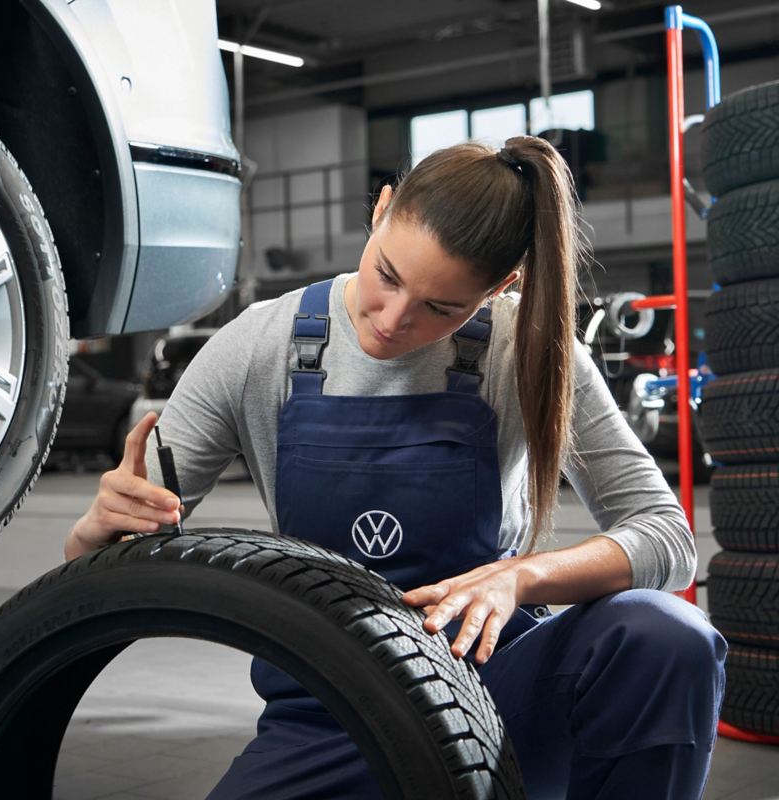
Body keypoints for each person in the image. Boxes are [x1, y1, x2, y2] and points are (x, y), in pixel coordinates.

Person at [65, 135, 726, 799]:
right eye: (387, 274)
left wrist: (519, 579)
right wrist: (99, 530)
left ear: (501, 286)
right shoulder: (254, 348)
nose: (392, 320)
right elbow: (103, 575)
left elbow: (666, 537)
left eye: (442, 308)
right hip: (326, 714)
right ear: (380, 210)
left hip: (492, 697)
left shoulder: (522, 349)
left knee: (664, 637)